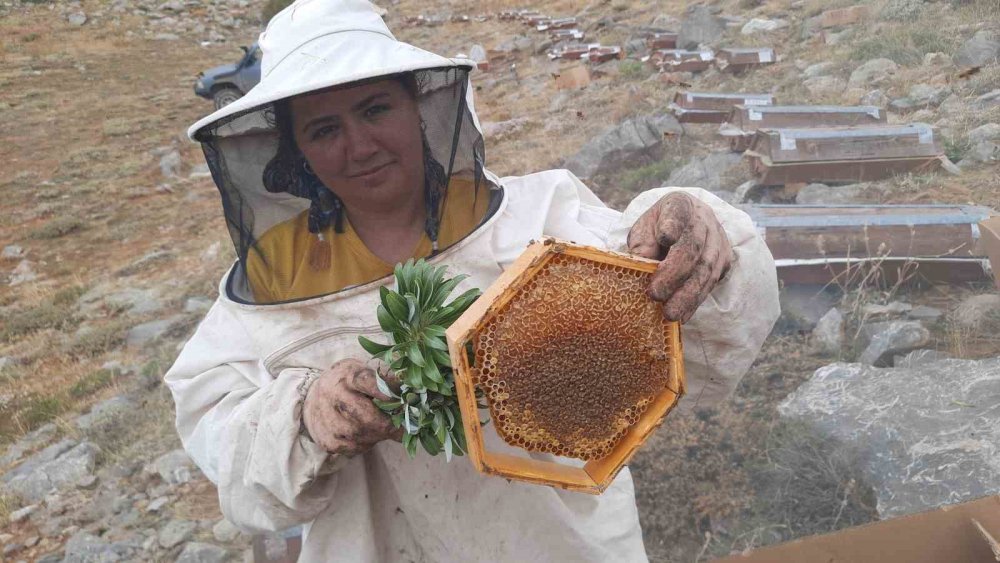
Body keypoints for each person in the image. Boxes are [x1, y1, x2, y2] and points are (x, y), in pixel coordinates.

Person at [165, 0, 780, 561]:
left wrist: (699, 228)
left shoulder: (542, 218)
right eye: (324, 129)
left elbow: (680, 310)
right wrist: (302, 416)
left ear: (420, 109)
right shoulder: (272, 284)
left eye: (375, 109)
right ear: (297, 151)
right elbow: (219, 431)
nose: (359, 145)